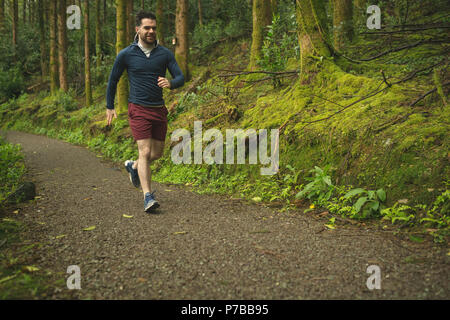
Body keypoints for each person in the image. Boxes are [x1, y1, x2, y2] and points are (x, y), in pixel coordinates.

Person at [106, 11, 185, 213]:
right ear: (137, 29)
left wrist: (171, 83)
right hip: (138, 108)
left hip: (158, 109)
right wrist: (110, 106)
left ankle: (133, 166)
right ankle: (148, 196)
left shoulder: (164, 54)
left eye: (154, 28)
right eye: (147, 28)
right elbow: (113, 80)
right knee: (146, 151)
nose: (151, 31)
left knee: (157, 153)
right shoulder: (126, 54)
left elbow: (181, 77)